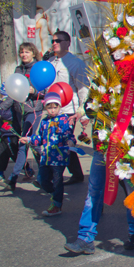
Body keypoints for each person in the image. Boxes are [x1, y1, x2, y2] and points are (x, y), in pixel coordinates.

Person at [63, 147, 134, 255]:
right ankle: (85, 237)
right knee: (93, 192)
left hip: (129, 147)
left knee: (132, 192)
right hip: (103, 148)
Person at [0, 43, 42, 190]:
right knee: (31, 143)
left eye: (27, 52)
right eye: (21, 52)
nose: (24, 54)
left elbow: (45, 91)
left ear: (33, 53)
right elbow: (13, 94)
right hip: (19, 112)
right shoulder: (18, 70)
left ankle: (13, 179)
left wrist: (33, 91)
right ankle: (44, 167)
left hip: (33, 111)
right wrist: (1, 108)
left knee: (23, 143)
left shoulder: (38, 68)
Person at [19, 92, 76, 217]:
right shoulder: (44, 122)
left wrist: (70, 142)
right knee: (42, 180)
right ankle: (54, 194)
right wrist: (28, 139)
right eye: (49, 107)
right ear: (46, 108)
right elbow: (39, 138)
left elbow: (70, 135)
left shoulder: (64, 119)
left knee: (57, 181)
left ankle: (56, 205)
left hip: (59, 157)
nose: (52, 110)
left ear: (59, 107)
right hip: (46, 157)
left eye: (55, 107)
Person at [50, 31, 88, 185]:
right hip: (52, 109)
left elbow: (83, 88)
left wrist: (82, 112)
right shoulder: (51, 62)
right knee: (63, 143)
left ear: (68, 42)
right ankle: (77, 174)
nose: (54, 43)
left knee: (60, 143)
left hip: (68, 111)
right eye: (52, 40)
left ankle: (53, 177)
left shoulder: (75, 63)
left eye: (58, 40)